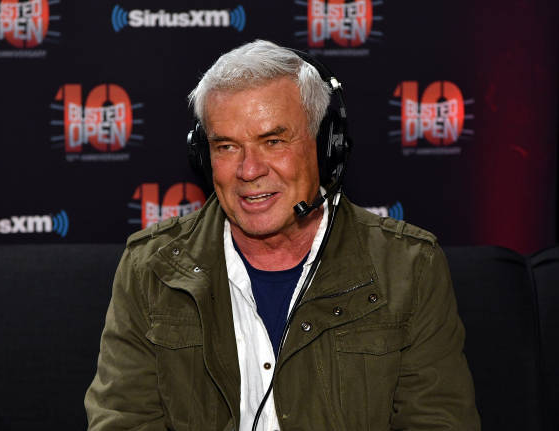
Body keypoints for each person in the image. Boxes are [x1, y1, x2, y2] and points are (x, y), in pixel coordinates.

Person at [85, 40, 480, 431]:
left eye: (272, 141)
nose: (249, 170)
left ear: (325, 146)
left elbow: (438, 422)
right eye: (227, 146)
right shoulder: (149, 270)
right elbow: (122, 422)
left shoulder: (410, 268)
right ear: (204, 157)